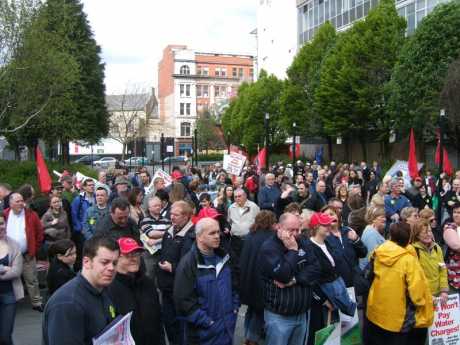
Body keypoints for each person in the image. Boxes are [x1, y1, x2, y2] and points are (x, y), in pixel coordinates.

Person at [42, 235, 119, 345]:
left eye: (115, 263)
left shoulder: (102, 289)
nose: (111, 268)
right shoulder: (68, 304)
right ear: (87, 262)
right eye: (104, 262)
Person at [365, 222, 433, 345]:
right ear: (409, 238)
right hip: (399, 318)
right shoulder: (408, 260)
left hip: (376, 311)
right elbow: (417, 295)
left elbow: (368, 276)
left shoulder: (378, 252)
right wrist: (423, 305)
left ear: (391, 235)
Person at [174, 217, 239, 345]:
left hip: (227, 328)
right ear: (199, 237)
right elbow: (183, 301)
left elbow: (234, 285)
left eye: (218, 232)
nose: (217, 236)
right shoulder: (188, 264)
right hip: (204, 334)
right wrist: (207, 322)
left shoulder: (224, 257)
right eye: (212, 233)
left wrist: (235, 307)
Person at [259, 213, 321, 345]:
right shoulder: (269, 247)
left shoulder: (303, 241)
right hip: (280, 316)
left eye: (297, 229)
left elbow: (316, 268)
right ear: (279, 228)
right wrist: (293, 250)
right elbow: (283, 275)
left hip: (302, 313)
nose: (295, 234)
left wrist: (295, 280)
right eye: (290, 230)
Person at [107, 237, 164, 345]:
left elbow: (158, 321)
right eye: (128, 255)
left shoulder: (148, 283)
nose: (134, 259)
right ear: (116, 258)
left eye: (137, 254)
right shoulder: (109, 289)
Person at [158, 200, 196, 345]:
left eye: (176, 215)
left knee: (181, 327)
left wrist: (173, 268)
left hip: (181, 289)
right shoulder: (169, 231)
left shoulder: (192, 235)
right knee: (169, 323)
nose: (172, 217)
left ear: (186, 216)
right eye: (171, 214)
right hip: (166, 288)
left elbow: (192, 265)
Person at [239, 211, 277, 345]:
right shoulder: (271, 237)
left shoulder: (251, 235)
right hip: (261, 281)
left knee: (251, 310)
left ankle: (247, 336)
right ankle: (251, 339)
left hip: (248, 279)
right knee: (259, 313)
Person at [4, 193, 44, 311]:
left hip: (27, 254)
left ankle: (37, 303)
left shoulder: (31, 215)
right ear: (10, 203)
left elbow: (39, 233)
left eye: (22, 201)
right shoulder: (5, 215)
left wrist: (34, 249)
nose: (21, 203)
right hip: (9, 255)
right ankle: (10, 302)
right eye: (18, 201)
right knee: (9, 279)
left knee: (32, 279)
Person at [0, 212, 24, 345]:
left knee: (5, 336)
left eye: (2, 223)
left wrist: (9, 270)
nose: (0, 227)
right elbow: (10, 270)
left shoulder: (14, 245)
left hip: (9, 295)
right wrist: (3, 268)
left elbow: (16, 271)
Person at [227, 189, 260, 278]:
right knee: (236, 262)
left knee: (248, 262)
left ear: (245, 196)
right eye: (235, 197)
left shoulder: (253, 207)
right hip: (235, 240)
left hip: (249, 239)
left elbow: (259, 222)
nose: (237, 198)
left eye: (239, 196)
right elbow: (230, 221)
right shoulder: (231, 207)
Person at [139, 196, 171, 279]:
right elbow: (151, 234)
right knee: (149, 277)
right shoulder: (145, 221)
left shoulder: (167, 221)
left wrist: (157, 241)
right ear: (149, 208)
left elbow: (170, 236)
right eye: (155, 206)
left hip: (163, 253)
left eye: (159, 205)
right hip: (149, 254)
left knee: (162, 278)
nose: (158, 207)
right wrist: (166, 233)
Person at [443, 203, 460, 291]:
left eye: (459, 212)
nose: (456, 215)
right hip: (456, 271)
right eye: (454, 212)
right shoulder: (449, 227)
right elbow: (456, 246)